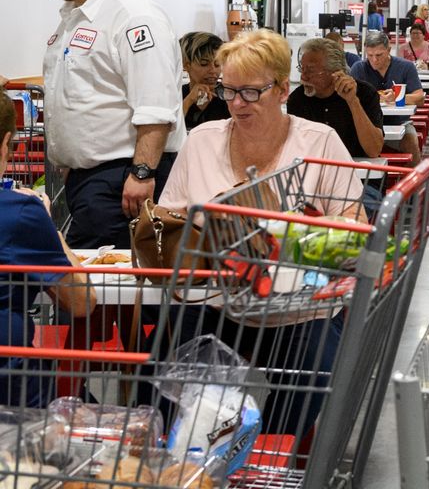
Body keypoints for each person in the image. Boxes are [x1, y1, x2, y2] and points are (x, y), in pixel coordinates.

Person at [156, 30, 366, 434]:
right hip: (216, 304)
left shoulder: (319, 143)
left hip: (299, 311)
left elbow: (353, 226)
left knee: (312, 380)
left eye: (251, 92)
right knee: (168, 380)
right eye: (228, 90)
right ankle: (185, 457)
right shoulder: (201, 142)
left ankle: (266, 456)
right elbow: (168, 222)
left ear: (283, 89)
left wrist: (298, 240)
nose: (236, 103)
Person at [39, 0, 185, 248]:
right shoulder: (78, 15)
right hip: (91, 181)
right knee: (96, 289)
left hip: (124, 183)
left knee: (100, 292)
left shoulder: (133, 15)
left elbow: (155, 107)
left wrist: (142, 174)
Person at [0, 92, 95, 407]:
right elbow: (81, 302)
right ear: (6, 144)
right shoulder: (20, 213)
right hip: (10, 389)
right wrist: (52, 230)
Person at [289, 38, 384, 160]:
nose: (303, 77)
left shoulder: (365, 93)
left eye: (311, 71)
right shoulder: (298, 99)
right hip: (316, 174)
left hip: (358, 174)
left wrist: (353, 101)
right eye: (302, 69)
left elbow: (374, 150)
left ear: (335, 72)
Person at [348, 31, 424, 164]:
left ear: (389, 50)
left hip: (399, 122)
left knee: (411, 142)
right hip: (367, 124)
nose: (374, 60)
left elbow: (419, 98)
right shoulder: (358, 68)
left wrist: (398, 97)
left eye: (379, 55)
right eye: (370, 55)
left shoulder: (406, 67)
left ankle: (412, 182)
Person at [180, 31, 230, 131]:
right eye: (204, 64)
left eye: (217, 64)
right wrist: (188, 101)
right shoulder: (177, 96)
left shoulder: (229, 96)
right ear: (187, 65)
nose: (213, 71)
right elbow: (169, 132)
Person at [400, 25, 429, 124]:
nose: (415, 35)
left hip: (428, 77)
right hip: (409, 79)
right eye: (413, 33)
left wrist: (428, 66)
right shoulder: (403, 47)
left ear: (423, 35)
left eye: (418, 33)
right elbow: (398, 63)